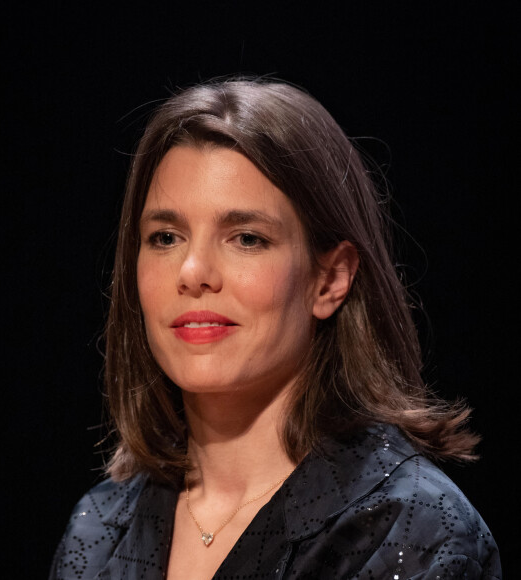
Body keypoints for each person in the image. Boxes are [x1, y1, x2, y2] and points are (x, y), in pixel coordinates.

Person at [50, 78, 501, 579]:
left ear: (330, 279)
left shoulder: (409, 530)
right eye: (165, 237)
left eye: (246, 238)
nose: (193, 271)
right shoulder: (100, 530)